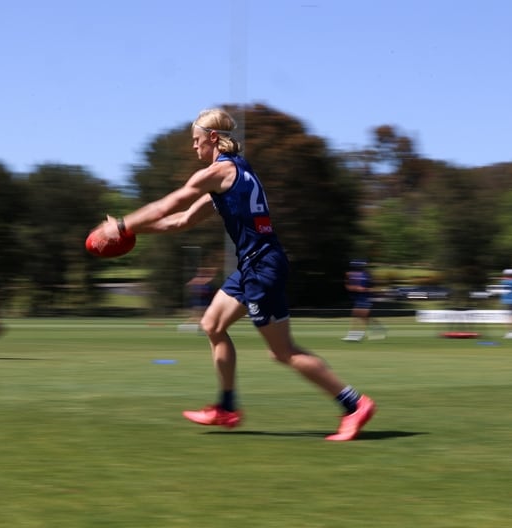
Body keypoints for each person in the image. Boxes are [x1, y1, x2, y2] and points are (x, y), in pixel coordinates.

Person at [93, 108, 375, 441]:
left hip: (262, 267)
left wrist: (121, 225)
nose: (194, 147)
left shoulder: (217, 172)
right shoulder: (237, 171)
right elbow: (181, 220)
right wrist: (131, 232)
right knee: (212, 324)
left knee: (282, 352)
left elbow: (168, 204)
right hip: (253, 265)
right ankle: (226, 408)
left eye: (196, 140)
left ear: (213, 137)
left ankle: (353, 404)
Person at [342, 260, 377, 341]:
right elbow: (347, 286)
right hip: (357, 298)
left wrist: (364, 289)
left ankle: (355, 336)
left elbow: (373, 288)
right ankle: (377, 330)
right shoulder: (350, 274)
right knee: (361, 317)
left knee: (357, 316)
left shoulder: (367, 275)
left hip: (365, 298)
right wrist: (355, 288)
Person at [178, 266, 217, 332]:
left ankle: (184, 327)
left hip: (201, 303)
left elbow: (189, 285)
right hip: (200, 303)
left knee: (197, 317)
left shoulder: (199, 282)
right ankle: (200, 328)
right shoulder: (201, 283)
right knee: (199, 317)